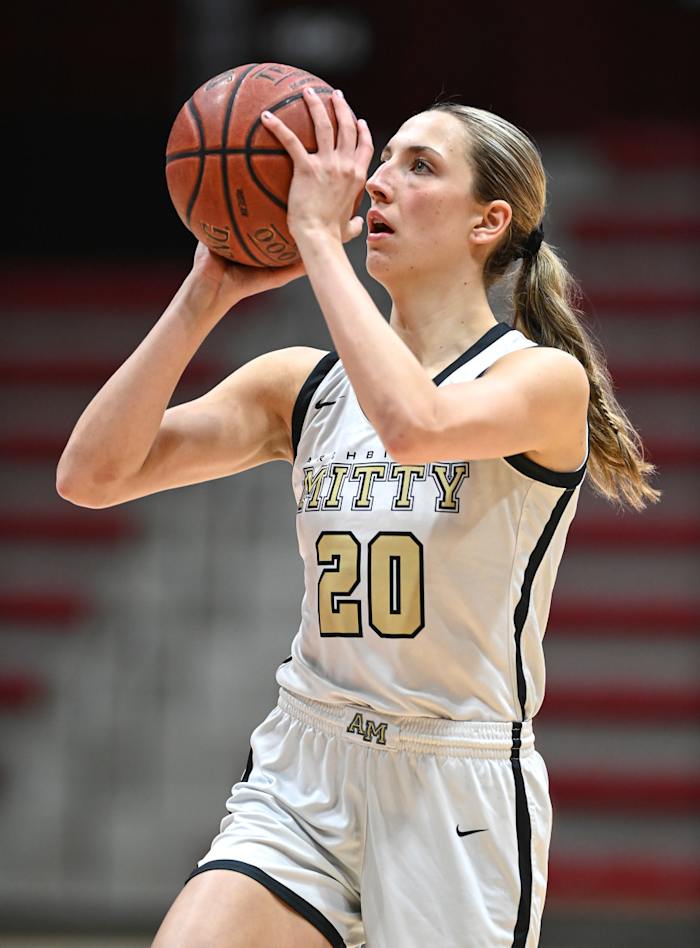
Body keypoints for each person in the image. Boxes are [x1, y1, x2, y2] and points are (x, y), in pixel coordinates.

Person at [57, 87, 659, 947]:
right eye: (383, 162)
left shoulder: (539, 380)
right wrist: (205, 293)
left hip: (452, 783)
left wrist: (313, 237)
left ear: (488, 222)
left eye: (420, 167)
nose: (377, 183)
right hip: (307, 762)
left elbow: (415, 428)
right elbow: (90, 475)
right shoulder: (301, 386)